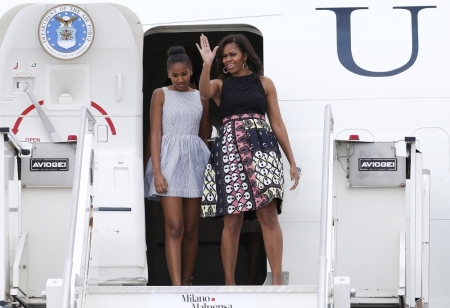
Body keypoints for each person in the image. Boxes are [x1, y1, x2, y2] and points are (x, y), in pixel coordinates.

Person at [196, 34, 300, 285]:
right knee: (233, 219)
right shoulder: (220, 85)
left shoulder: (265, 83)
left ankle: (276, 282)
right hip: (230, 150)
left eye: (232, 54)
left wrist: (291, 161)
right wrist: (207, 63)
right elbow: (204, 91)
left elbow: (277, 122)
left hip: (263, 149)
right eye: (224, 56)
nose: (228, 59)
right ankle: (230, 284)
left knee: (268, 215)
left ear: (245, 55)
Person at [144, 46, 210, 286]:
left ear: (192, 71)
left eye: (184, 74)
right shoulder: (160, 94)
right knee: (174, 226)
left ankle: (187, 280)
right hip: (168, 162)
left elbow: (204, 135)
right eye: (175, 75)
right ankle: (176, 287)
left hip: (195, 163)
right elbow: (155, 135)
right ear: (168, 74)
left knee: (192, 229)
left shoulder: (201, 95)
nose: (180, 79)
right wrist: (157, 172)